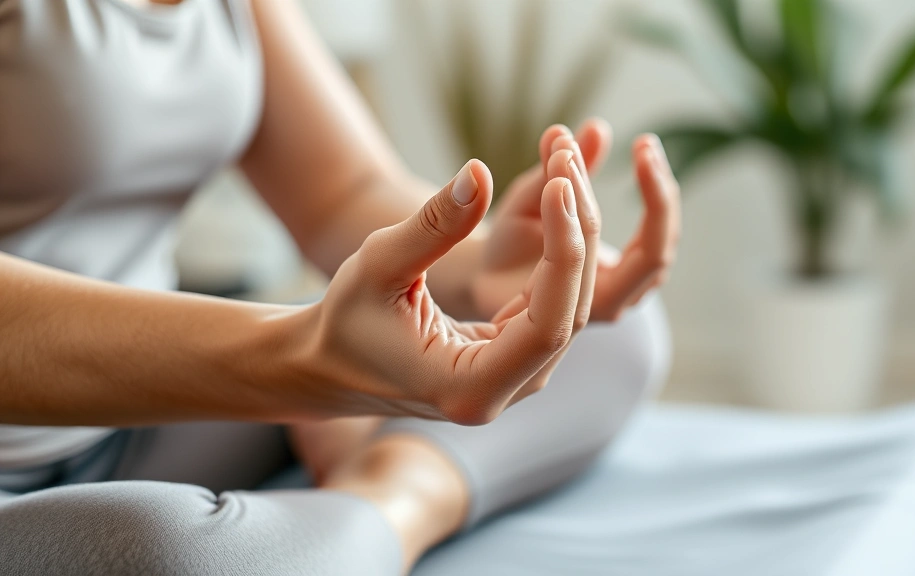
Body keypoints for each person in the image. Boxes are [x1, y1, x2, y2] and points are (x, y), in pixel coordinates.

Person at [0, 0, 680, 574]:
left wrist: (482, 267)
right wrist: (299, 362)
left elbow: (340, 195)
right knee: (158, 550)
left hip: (132, 428)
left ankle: (386, 505)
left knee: (609, 333)